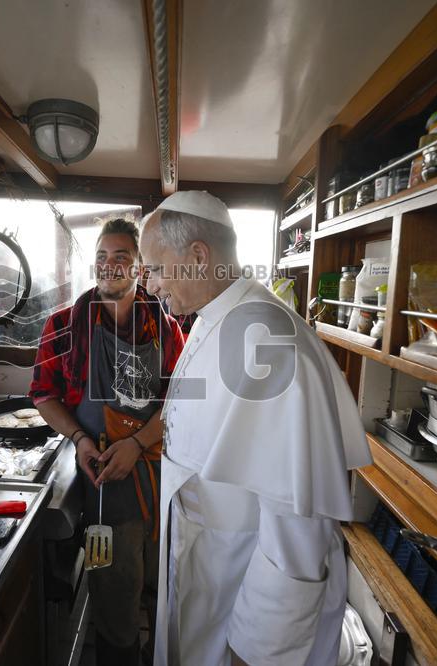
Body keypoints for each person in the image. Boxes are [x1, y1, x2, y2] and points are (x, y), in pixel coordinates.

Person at [139, 191, 372, 666]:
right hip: (207, 560)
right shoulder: (215, 317)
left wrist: (260, 648)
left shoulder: (268, 343)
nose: (150, 284)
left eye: (156, 268)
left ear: (197, 256)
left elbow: (297, 526)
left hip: (242, 590)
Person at [30, 218, 185, 666]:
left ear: (139, 268)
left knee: (162, 586)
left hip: (157, 479)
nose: (109, 265)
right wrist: (79, 437)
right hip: (101, 487)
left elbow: (180, 401)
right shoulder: (64, 325)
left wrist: (136, 444)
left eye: (121, 257)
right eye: (101, 256)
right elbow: (43, 394)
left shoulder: (166, 328)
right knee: (111, 592)